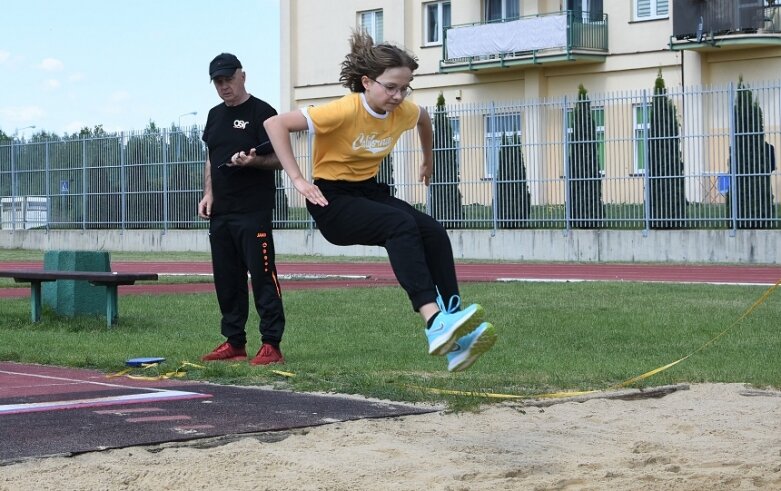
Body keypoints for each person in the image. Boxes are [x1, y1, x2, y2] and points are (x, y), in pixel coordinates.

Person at [264, 31, 497, 372]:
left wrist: (427, 158)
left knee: (432, 230)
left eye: (405, 88)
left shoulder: (403, 111)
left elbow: (423, 119)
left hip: (368, 192)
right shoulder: (343, 110)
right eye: (390, 87)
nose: (398, 95)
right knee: (399, 224)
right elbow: (275, 124)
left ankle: (454, 331)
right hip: (332, 200)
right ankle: (434, 323)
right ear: (367, 82)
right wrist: (297, 179)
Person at [198, 52, 286, 365]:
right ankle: (234, 342)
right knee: (227, 279)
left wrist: (254, 161)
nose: (224, 86)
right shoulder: (213, 115)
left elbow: (280, 159)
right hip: (222, 213)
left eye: (228, 79)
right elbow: (211, 158)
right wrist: (208, 193)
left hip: (253, 212)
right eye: (218, 82)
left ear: (242, 76)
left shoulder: (264, 112)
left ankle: (271, 344)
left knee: (263, 276)